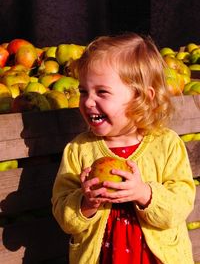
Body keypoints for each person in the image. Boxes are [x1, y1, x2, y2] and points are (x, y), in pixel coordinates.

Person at [51, 33, 195, 264]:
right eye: (83, 91)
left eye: (102, 92)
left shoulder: (167, 144)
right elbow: (63, 214)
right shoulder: (79, 150)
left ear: (142, 98)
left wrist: (144, 194)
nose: (88, 102)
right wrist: (86, 203)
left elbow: (181, 204)